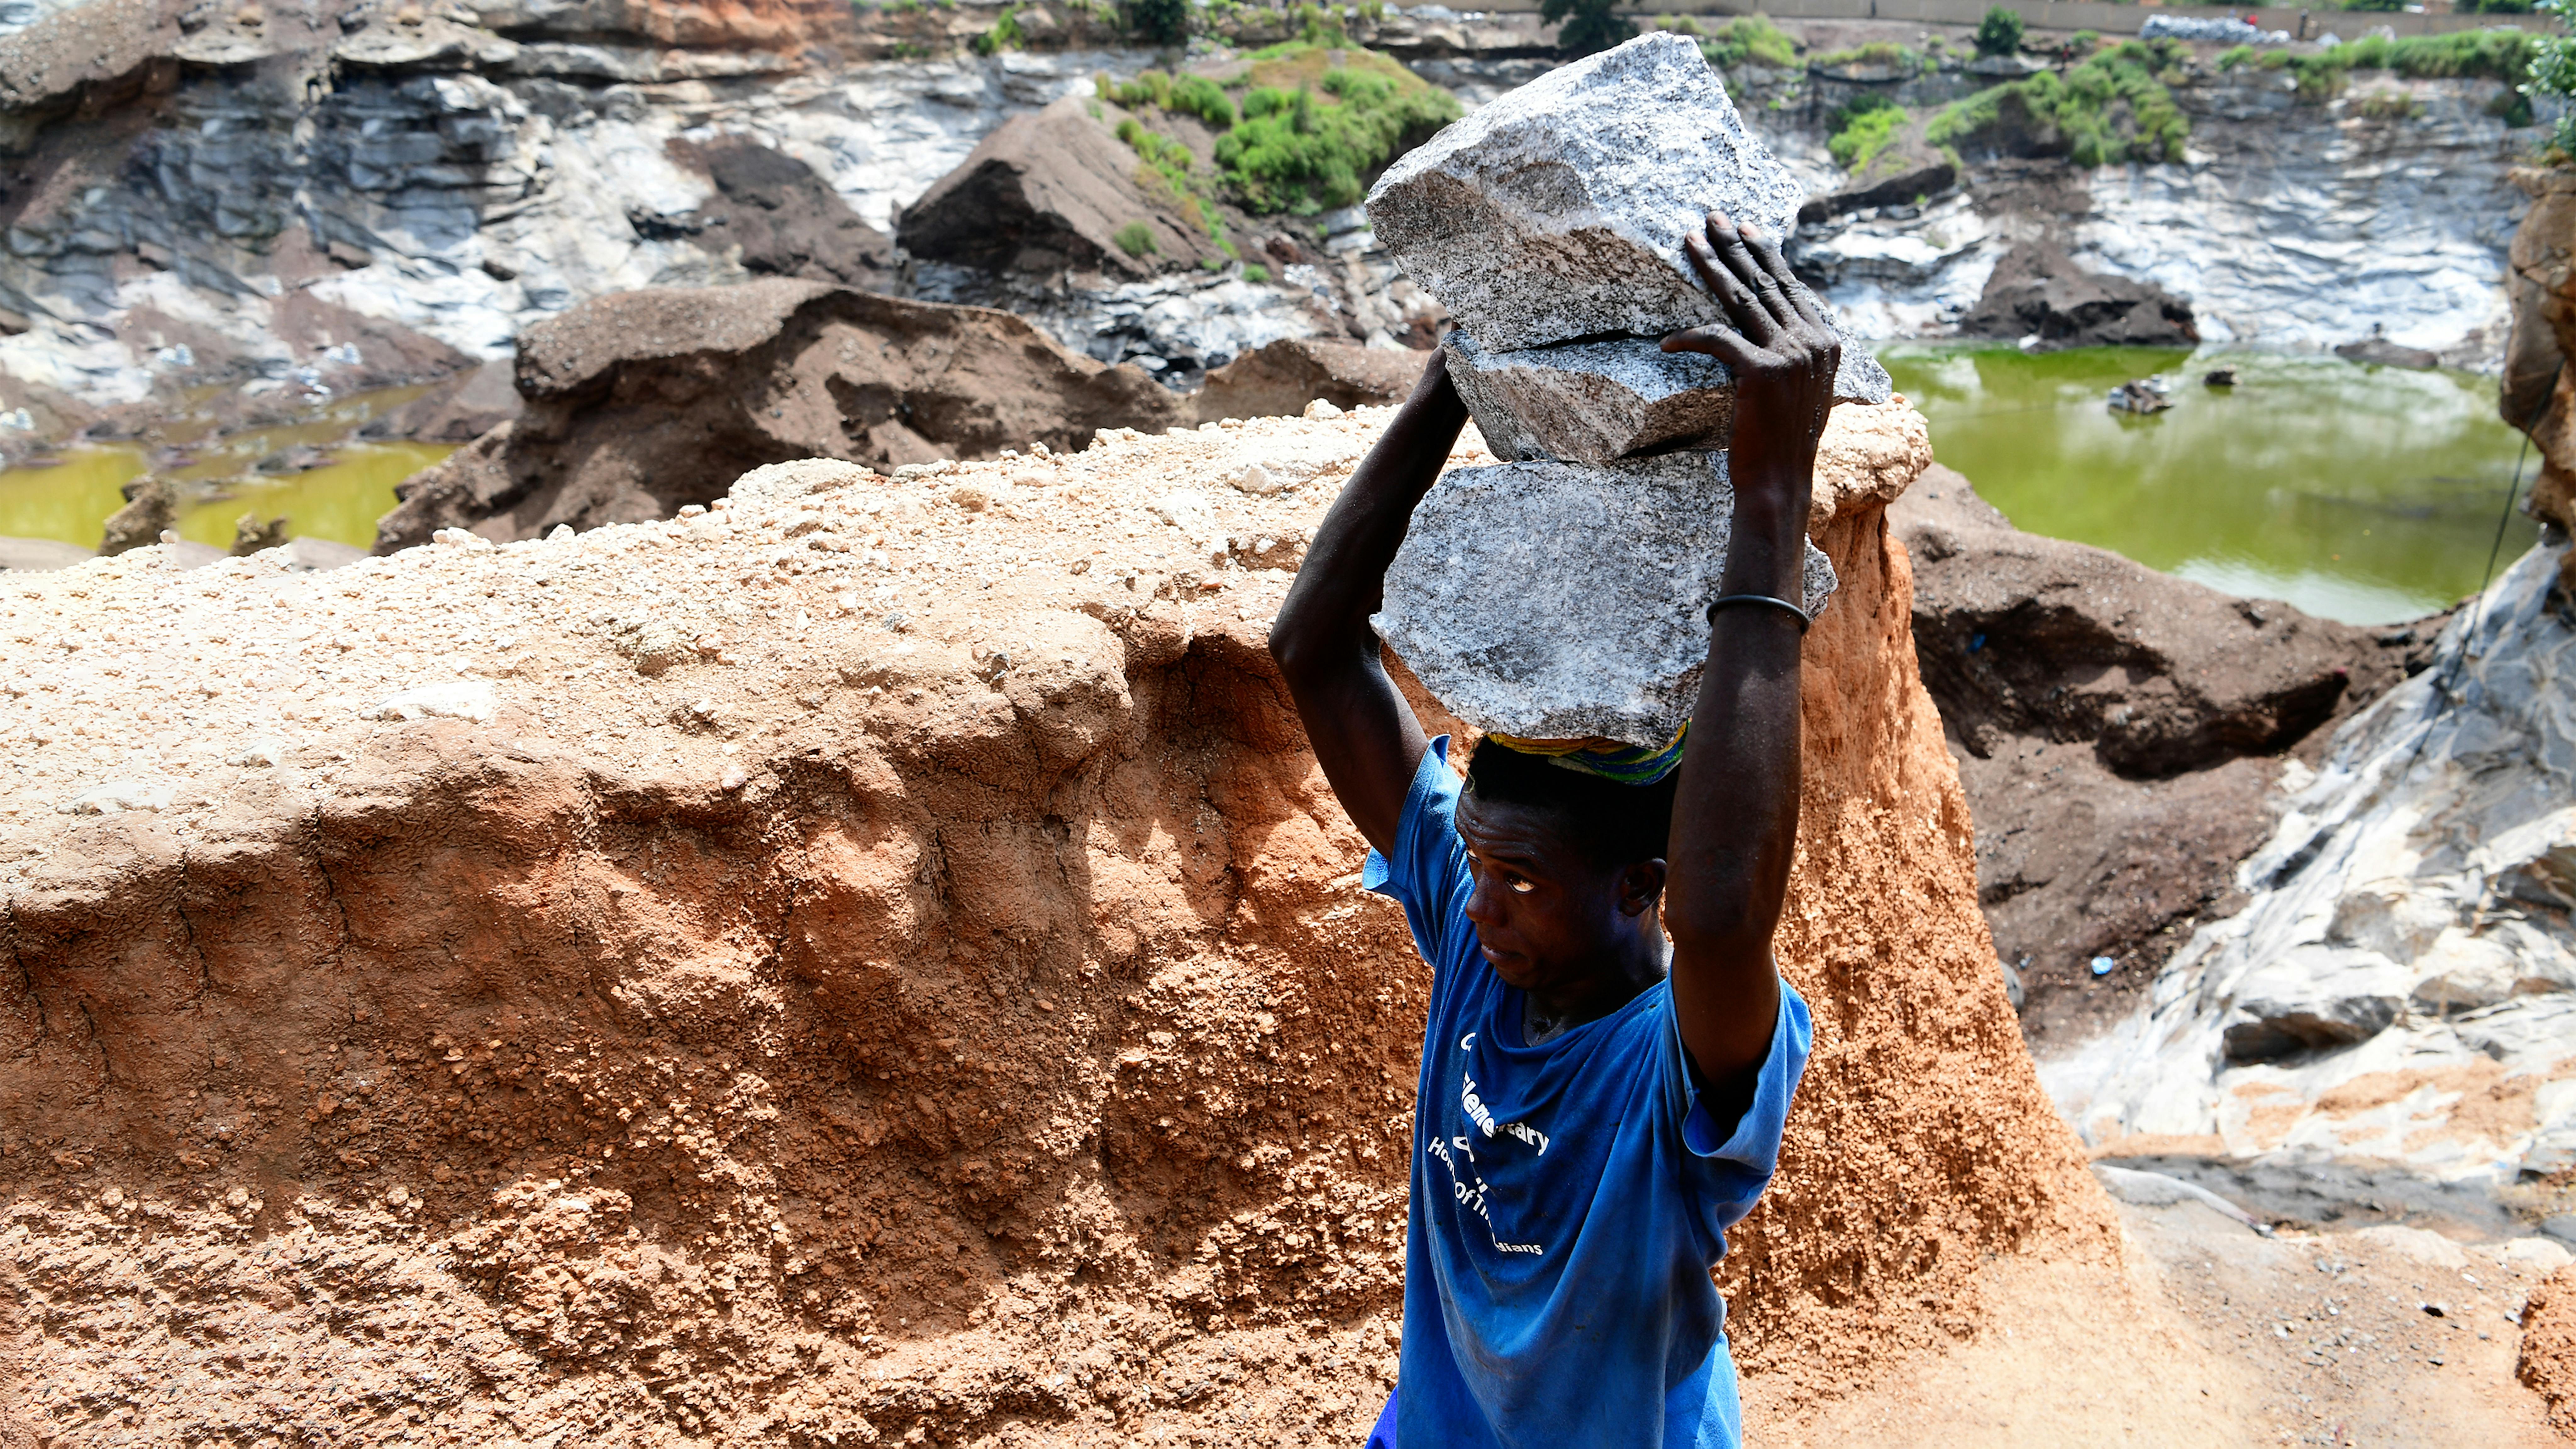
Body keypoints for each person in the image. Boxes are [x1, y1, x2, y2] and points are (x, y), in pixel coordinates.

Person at [1266, 211, 1832, 1449]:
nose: (1474, 907)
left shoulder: (1674, 1072)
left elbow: (1728, 913)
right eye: (1473, 864)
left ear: (1642, 885)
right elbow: (1311, 647)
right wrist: (1451, 382)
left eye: (1516, 879)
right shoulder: (1486, 949)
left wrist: (1771, 491)